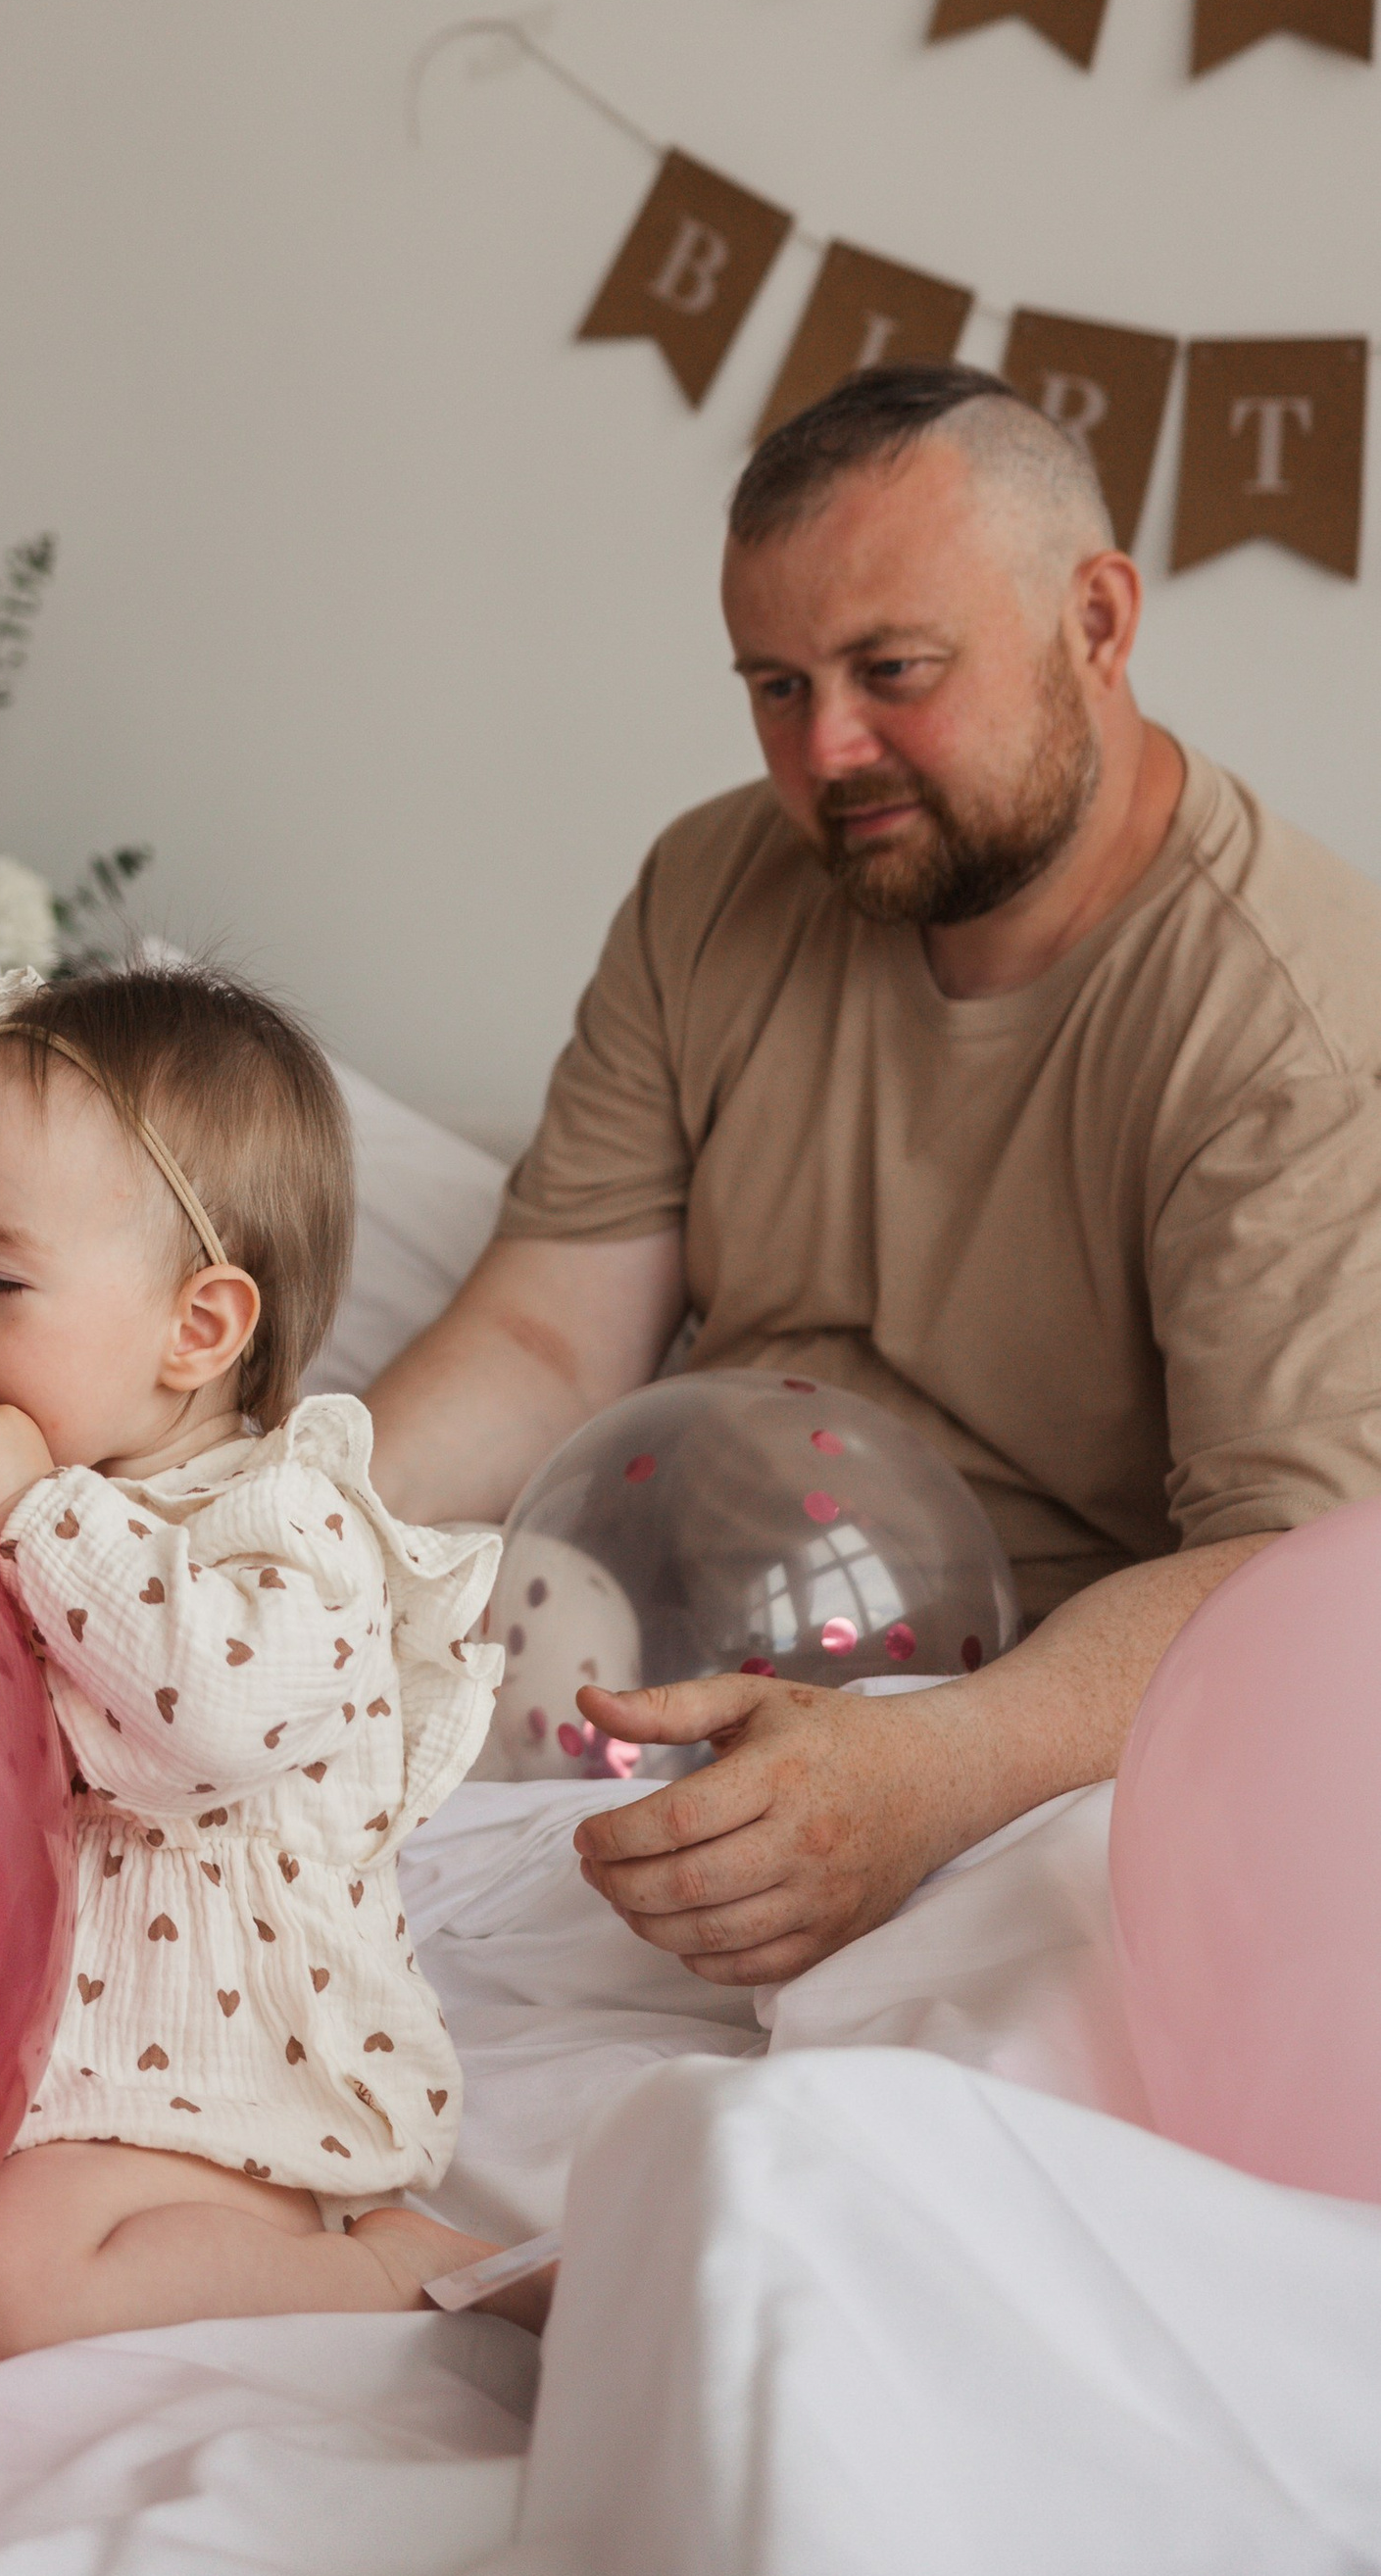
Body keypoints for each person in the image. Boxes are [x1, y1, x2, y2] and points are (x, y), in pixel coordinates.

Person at [369, 363, 1381, 1986]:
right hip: (650, 1661)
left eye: (892, 670)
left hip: (1012, 1741)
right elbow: (547, 1342)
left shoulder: (1289, 1023)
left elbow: (1299, 1593)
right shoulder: (713, 886)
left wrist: (934, 1768)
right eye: (774, 685)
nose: (829, 748)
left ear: (1099, 624)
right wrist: (270, 1538)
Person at [0, 965, 537, 2357]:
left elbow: (218, 1717)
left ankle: (388, 2270)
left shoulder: (277, 1524)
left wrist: (41, 1515)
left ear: (198, 1330)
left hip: (211, 2075)